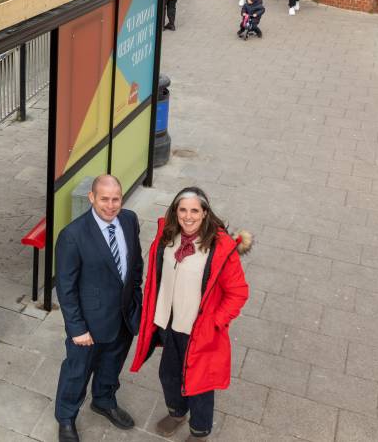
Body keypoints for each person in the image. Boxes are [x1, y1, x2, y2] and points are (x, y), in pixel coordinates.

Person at [130, 187, 252, 441]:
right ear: (176, 212)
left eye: (194, 210)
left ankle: (199, 431)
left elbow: (238, 293)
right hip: (167, 323)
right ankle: (177, 412)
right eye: (183, 209)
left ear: (205, 213)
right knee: (169, 374)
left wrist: (215, 323)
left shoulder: (220, 248)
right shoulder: (167, 236)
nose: (188, 216)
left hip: (199, 330)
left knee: (199, 383)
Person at [54, 175, 143, 442]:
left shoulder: (129, 220)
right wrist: (77, 329)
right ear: (92, 198)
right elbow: (65, 288)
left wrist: (135, 298)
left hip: (123, 317)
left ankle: (104, 400)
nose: (111, 205)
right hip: (89, 324)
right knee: (76, 372)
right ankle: (66, 418)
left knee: (112, 365)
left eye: (116, 198)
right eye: (104, 199)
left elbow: (135, 263)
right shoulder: (72, 235)